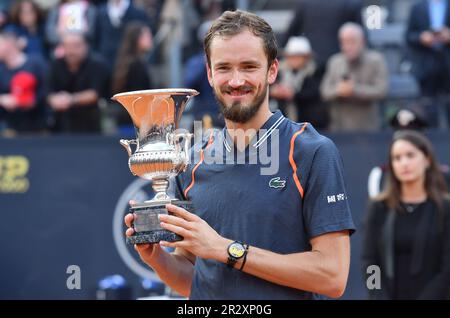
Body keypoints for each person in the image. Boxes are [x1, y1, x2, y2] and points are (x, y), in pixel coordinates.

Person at [124, 10, 355, 300]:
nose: (235, 81)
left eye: (248, 67)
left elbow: (332, 275)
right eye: (224, 68)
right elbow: (194, 280)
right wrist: (156, 257)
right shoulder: (190, 161)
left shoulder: (312, 151)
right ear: (209, 74)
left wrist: (227, 250)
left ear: (272, 70)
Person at [362, 130, 450, 299]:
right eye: (397, 158)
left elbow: (447, 269)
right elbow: (370, 263)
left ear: (427, 160)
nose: (404, 163)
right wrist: (377, 296)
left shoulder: (445, 208)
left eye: (410, 155)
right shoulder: (379, 207)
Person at [320, 23, 388, 132]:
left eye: (352, 42)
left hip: (368, 128)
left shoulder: (376, 60)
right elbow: (325, 92)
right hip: (339, 127)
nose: (347, 47)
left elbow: (382, 90)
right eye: (344, 42)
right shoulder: (335, 61)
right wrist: (339, 90)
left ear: (362, 41)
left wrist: (354, 89)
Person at [46, 31, 109, 133]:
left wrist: (71, 99)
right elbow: (48, 92)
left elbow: (94, 93)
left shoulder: (97, 64)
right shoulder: (55, 65)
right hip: (60, 124)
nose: (71, 51)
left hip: (90, 124)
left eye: (76, 46)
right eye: (67, 46)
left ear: (86, 46)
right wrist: (53, 100)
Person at [405, 0, 450, 127]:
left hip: (447, 62)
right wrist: (422, 37)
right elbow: (409, 36)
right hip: (426, 66)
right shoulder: (417, 7)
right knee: (428, 108)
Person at [283, 0, 363, 70]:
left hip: (312, 63)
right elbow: (361, 35)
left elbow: (290, 32)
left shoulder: (304, 2)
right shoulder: (351, 2)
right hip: (338, 63)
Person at [270, 36, 329, 130]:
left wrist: (293, 94)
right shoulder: (279, 71)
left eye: (298, 56)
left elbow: (315, 93)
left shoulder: (315, 72)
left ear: (306, 57)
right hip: (282, 123)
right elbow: (268, 90)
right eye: (291, 56)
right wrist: (273, 91)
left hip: (310, 123)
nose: (294, 60)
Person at [0, 29, 46, 134]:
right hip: (10, 128)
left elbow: (46, 90)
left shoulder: (36, 63)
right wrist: (2, 99)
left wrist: (30, 101)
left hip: (38, 126)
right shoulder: (1, 70)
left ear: (8, 44)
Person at [111, 21, 154, 133]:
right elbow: (141, 98)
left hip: (128, 121)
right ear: (138, 39)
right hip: (136, 123)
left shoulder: (127, 62)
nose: (150, 39)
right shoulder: (136, 65)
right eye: (147, 36)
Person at [95, 0, 151, 70]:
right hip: (105, 62)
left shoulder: (137, 12)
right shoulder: (101, 11)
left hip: (130, 63)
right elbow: (96, 37)